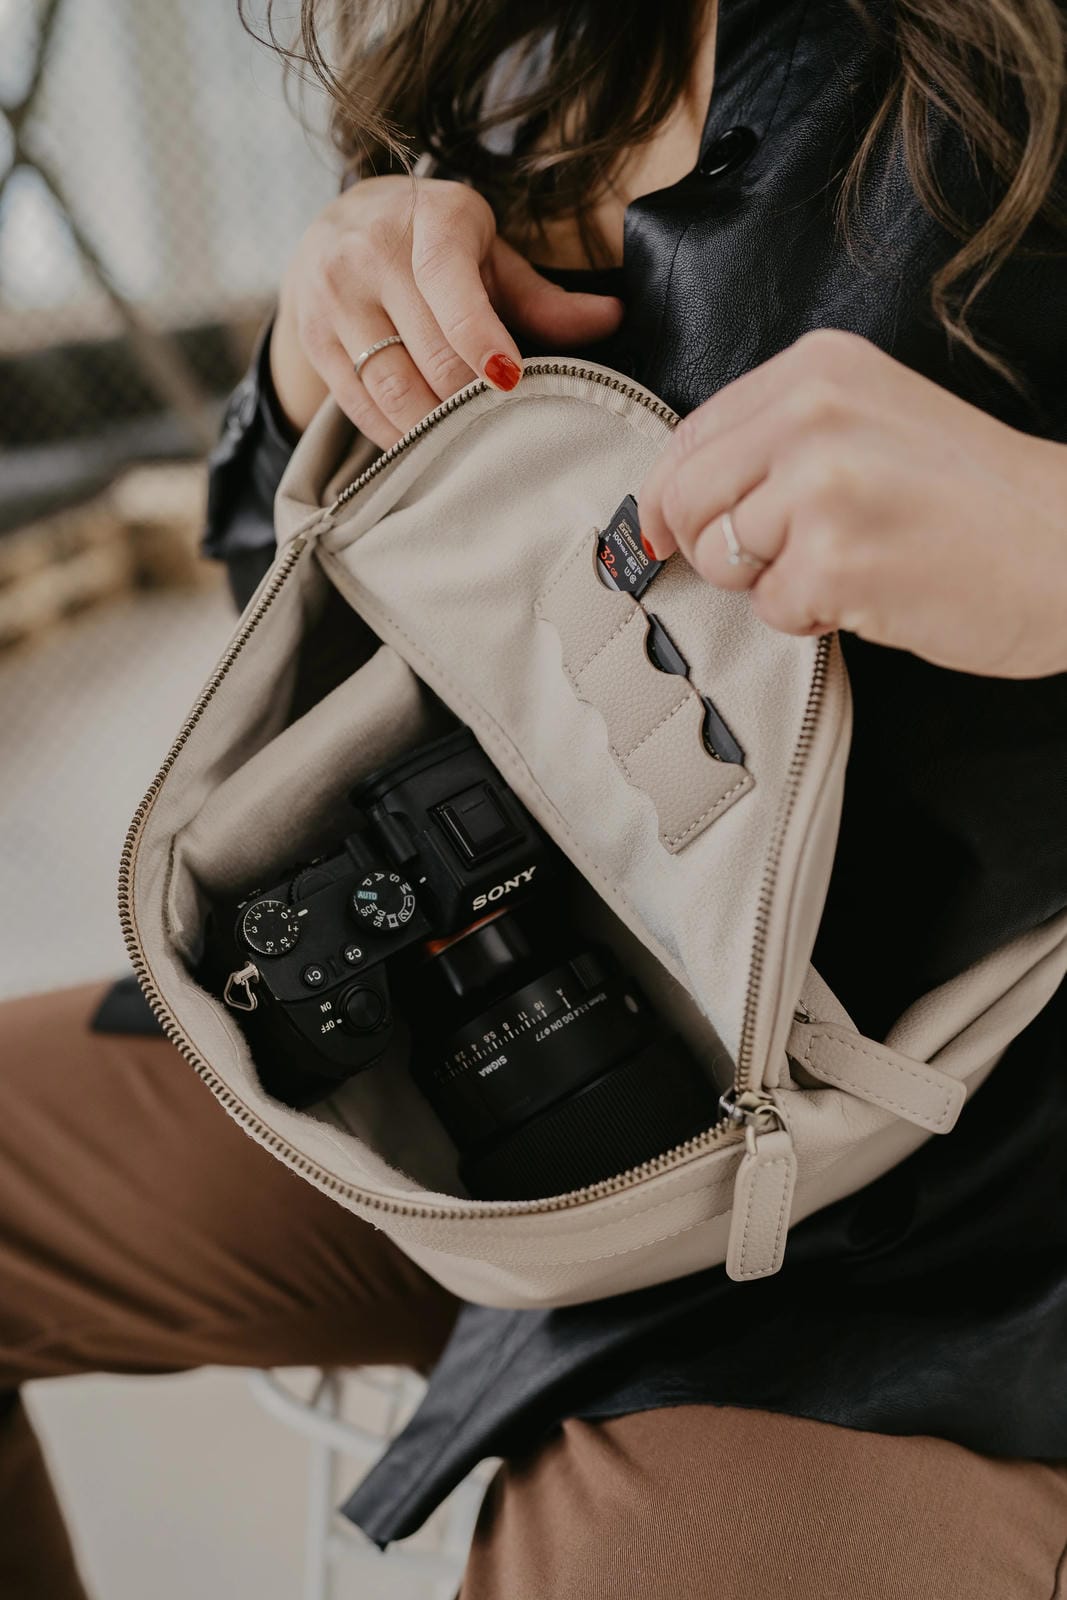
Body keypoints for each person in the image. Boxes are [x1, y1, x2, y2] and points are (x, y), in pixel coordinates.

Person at [4, 1, 1067, 1594]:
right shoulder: (527, 49)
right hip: (483, 998)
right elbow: (315, 630)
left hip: (963, 1222)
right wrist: (317, 381)